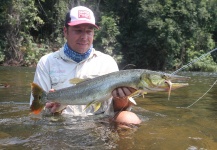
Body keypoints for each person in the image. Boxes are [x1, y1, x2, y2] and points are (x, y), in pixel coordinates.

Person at [30, 6, 141, 125]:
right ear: (65, 32)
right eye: (78, 31)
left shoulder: (107, 62)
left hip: (98, 125)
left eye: (89, 31)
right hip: (61, 124)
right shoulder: (47, 62)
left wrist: (121, 97)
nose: (84, 37)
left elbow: (119, 110)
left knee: (129, 119)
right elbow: (37, 113)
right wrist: (54, 109)